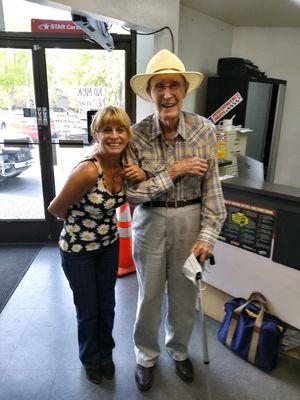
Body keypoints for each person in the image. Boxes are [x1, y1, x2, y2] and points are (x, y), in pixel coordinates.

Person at [124, 49, 227, 391]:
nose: (167, 94)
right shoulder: (136, 135)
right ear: (150, 93)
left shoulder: (204, 130)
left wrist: (208, 236)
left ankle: (178, 349)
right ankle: (145, 354)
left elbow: (213, 191)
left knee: (185, 293)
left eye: (174, 86)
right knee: (149, 294)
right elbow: (133, 195)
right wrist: (173, 172)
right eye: (159, 87)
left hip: (191, 219)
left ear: (184, 90)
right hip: (149, 222)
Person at [47, 106, 145, 385]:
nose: (115, 136)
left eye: (121, 129)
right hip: (78, 251)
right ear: (96, 134)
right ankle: (91, 359)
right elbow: (55, 208)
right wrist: (81, 223)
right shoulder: (89, 170)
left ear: (128, 134)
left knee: (108, 305)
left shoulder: (126, 165)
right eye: (107, 130)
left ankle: (106, 355)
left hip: (108, 246)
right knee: (88, 309)